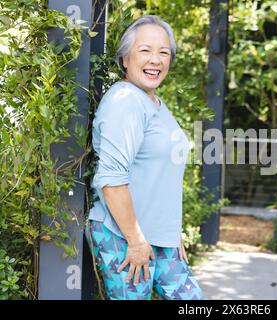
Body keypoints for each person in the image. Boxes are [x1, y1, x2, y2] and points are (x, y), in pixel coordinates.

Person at [85, 14, 204, 300]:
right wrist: (135, 240)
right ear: (125, 58)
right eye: (145, 50)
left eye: (164, 52)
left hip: (160, 238)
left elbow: (158, 177)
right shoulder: (124, 101)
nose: (156, 59)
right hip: (124, 235)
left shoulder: (154, 103)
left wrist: (171, 233)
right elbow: (111, 180)